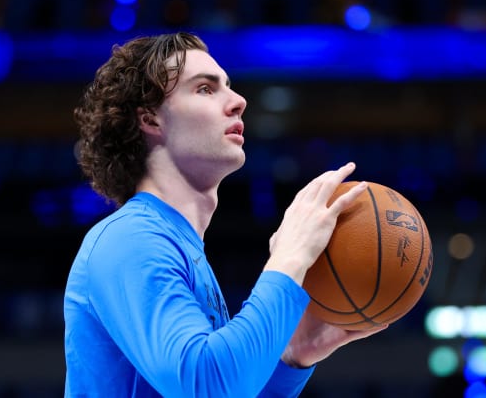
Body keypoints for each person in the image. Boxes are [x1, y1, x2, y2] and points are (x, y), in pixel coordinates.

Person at [63, 32, 386, 397]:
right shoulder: (131, 239)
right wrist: (288, 259)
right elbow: (206, 386)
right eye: (205, 88)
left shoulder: (181, 250)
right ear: (151, 119)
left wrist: (292, 357)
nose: (238, 101)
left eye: (229, 86)